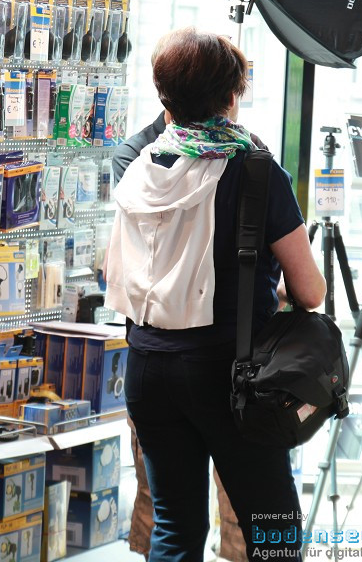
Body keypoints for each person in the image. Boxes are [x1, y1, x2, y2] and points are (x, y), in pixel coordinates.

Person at [106, 27, 325, 561]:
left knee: (175, 529)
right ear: (233, 94)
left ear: (164, 96)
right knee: (274, 534)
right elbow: (311, 291)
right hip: (231, 375)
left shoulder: (137, 165)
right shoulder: (255, 170)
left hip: (147, 368)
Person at [112, 110, 248, 562]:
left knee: (181, 515)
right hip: (213, 362)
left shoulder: (240, 153)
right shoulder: (142, 156)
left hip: (156, 361)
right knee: (175, 507)